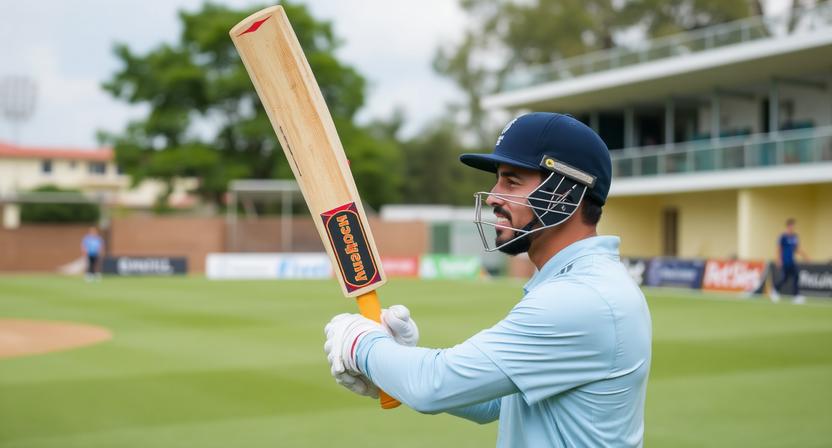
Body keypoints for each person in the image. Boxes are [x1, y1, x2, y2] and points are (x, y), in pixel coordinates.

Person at [324, 113, 652, 447]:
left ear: (565, 194)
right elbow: (494, 403)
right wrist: (397, 359)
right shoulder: (580, 283)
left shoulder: (582, 298)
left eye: (512, 182)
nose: (494, 197)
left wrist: (359, 343)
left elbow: (432, 386)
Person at [771, 218, 809, 304]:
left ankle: (796, 296)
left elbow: (797, 249)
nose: (792, 228)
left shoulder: (795, 236)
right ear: (787, 226)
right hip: (785, 261)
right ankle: (775, 290)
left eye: (793, 226)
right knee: (785, 278)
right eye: (791, 226)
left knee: (796, 276)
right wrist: (778, 259)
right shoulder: (783, 237)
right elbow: (778, 249)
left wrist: (805, 256)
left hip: (792, 261)